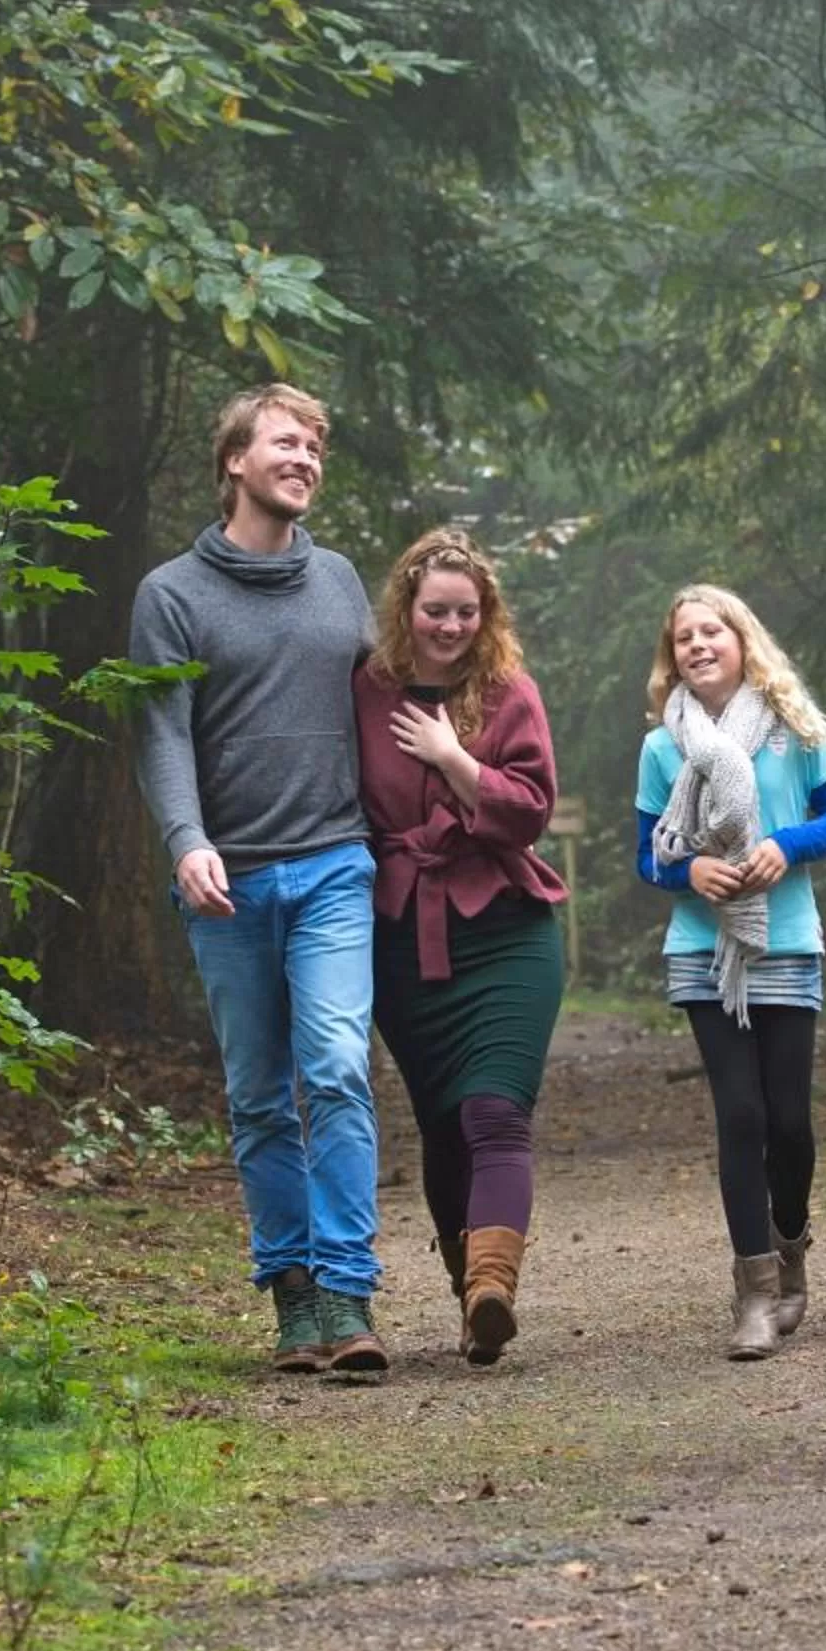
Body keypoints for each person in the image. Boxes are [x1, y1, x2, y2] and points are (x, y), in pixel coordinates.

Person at [130, 383, 386, 1374]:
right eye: (288, 441)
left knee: (335, 1065)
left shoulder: (342, 582)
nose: (307, 458)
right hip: (229, 881)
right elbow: (160, 730)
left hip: (331, 864)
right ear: (235, 459)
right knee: (261, 1096)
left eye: (317, 446)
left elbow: (389, 702)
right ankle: (291, 1296)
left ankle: (348, 1291)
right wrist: (186, 837)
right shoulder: (172, 596)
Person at [353, 528, 568, 1365]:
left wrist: (455, 759)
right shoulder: (366, 690)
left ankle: (492, 1289)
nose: (449, 627)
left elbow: (531, 809)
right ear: (406, 609)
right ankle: (470, 1300)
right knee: (443, 1125)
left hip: (505, 927)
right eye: (435, 610)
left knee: (494, 1112)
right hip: (404, 934)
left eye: (466, 613)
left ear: (487, 617)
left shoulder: (508, 690)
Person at [634, 584, 826, 1359]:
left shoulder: (795, 726)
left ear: (741, 640)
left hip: (787, 940)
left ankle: (791, 1247)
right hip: (703, 951)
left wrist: (785, 846)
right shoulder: (666, 745)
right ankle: (755, 1293)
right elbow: (647, 852)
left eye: (711, 632)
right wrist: (688, 871)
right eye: (683, 638)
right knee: (741, 1115)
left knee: (790, 1125)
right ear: (673, 658)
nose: (697, 646)